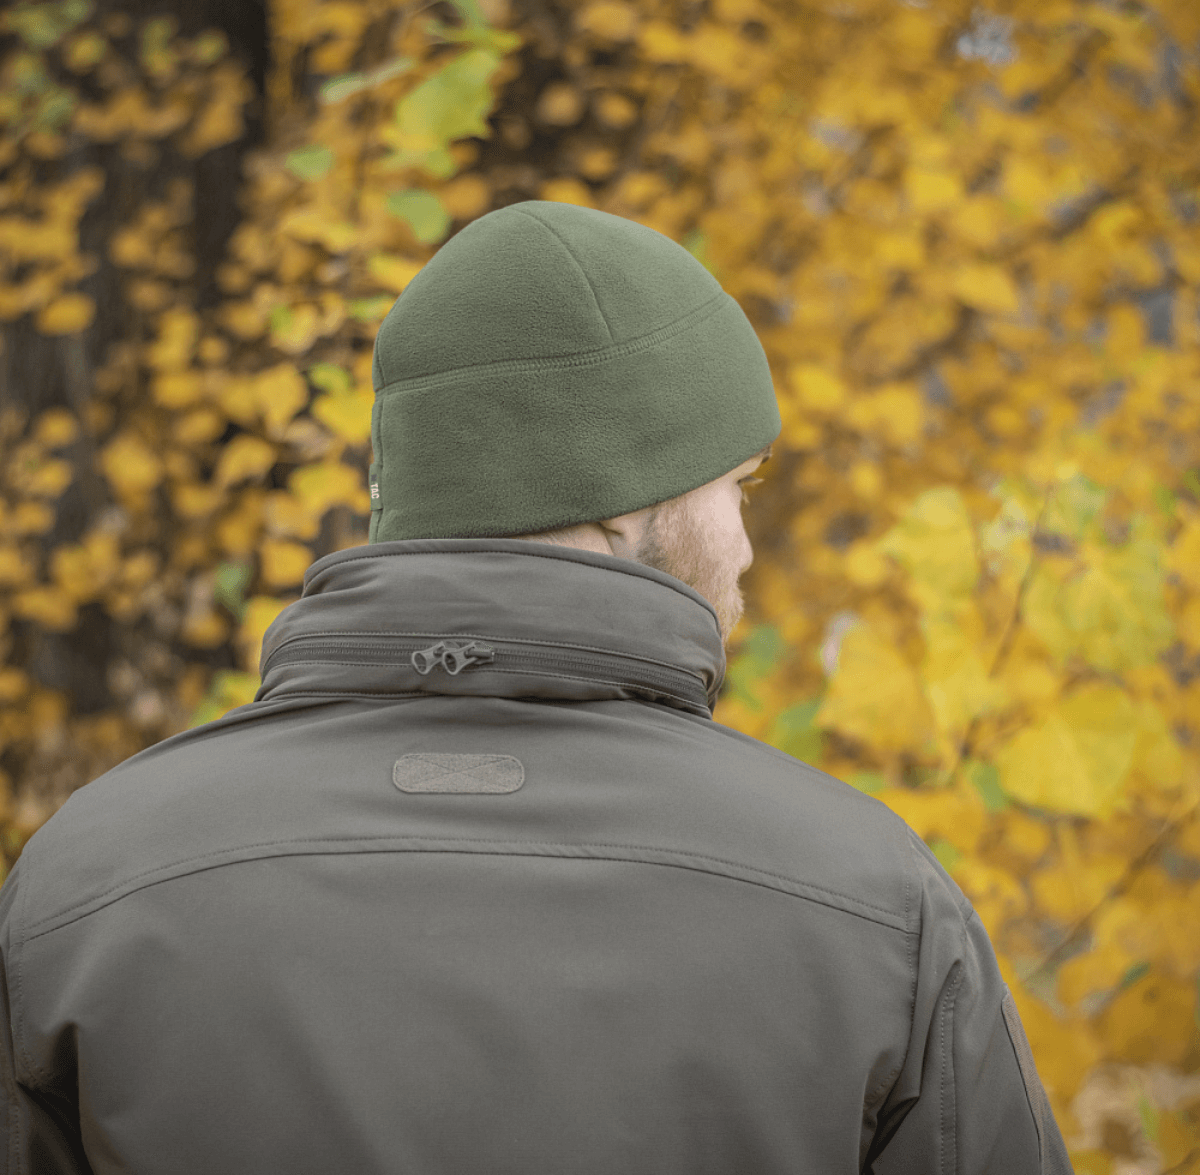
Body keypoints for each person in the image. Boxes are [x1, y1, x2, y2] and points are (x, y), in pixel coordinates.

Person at [0, 201, 1073, 1173]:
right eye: (737, 487)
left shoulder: (84, 887)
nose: (746, 546)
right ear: (619, 507)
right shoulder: (872, 903)